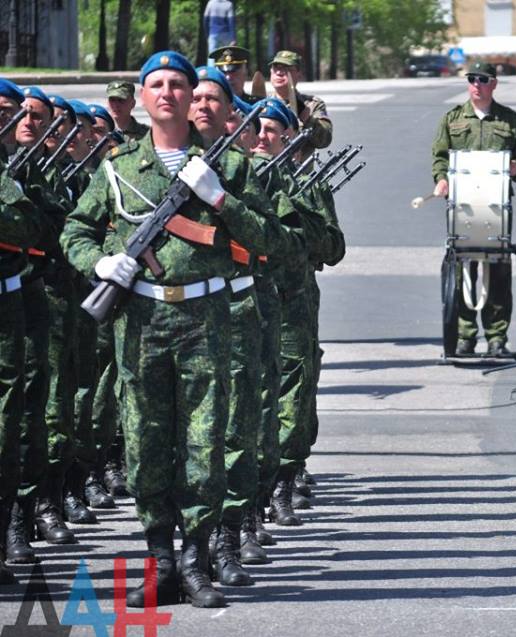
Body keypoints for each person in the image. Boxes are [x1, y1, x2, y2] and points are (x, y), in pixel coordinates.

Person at [61, 50, 289, 609]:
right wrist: (97, 262)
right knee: (144, 444)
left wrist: (218, 198)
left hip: (204, 321)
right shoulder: (116, 167)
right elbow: (75, 230)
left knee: (203, 443)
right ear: (142, 97)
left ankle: (196, 560)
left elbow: (273, 242)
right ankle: (160, 560)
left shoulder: (231, 166)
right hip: (140, 321)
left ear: (194, 97)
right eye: (155, 84)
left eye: (178, 85)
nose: (166, 93)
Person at [431, 61, 516, 357]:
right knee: (463, 270)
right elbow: (439, 157)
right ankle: (465, 335)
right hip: (462, 206)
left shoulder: (509, 119)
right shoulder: (452, 119)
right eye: (472, 79)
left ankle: (497, 336)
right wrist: (441, 180)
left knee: (497, 272)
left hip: (496, 207)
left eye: (482, 79)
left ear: (494, 84)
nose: (476, 84)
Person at [0, 78, 49, 586]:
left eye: (10, 112)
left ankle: (13, 526)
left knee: (11, 421)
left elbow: (28, 227)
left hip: (13, 300)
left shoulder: (18, 174)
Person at [268, 50, 332, 152]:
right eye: (276, 68)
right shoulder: (262, 105)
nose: (279, 72)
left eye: (286, 68)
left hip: (299, 166)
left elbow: (324, 141)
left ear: (299, 74)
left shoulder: (312, 105)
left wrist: (308, 120)